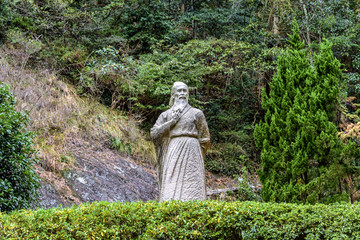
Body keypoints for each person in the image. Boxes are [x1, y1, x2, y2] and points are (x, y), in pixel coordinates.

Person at [151, 81, 210, 201]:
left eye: (184, 90)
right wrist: (172, 122)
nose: (182, 93)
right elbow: (154, 134)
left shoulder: (197, 113)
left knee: (193, 183)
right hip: (174, 149)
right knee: (171, 181)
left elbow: (205, 138)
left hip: (192, 150)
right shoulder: (166, 115)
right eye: (179, 91)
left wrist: (199, 155)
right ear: (173, 94)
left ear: (188, 93)